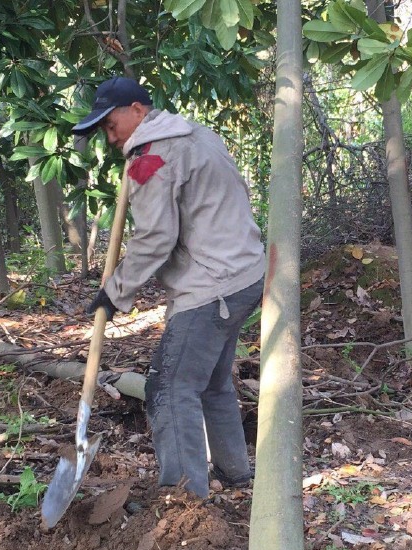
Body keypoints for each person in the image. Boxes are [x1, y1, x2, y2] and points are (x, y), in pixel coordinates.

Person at [72, 76, 266, 497]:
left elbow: (156, 237)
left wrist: (115, 291)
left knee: (170, 386)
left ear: (138, 110)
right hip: (245, 274)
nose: (110, 137)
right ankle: (236, 476)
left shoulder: (152, 157)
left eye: (112, 125)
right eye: (104, 130)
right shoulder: (196, 134)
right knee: (211, 382)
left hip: (212, 284)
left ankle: (183, 498)